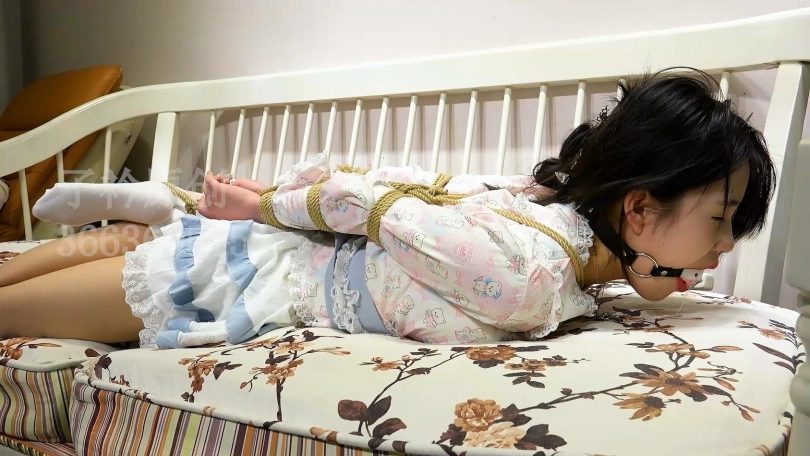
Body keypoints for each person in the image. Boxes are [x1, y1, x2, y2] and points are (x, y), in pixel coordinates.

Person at [0, 69, 775, 349]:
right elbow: (365, 202)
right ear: (638, 209)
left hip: (255, 247)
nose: (724, 249)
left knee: (98, 253)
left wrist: (265, 206)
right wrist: (265, 202)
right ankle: (172, 210)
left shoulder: (546, 220)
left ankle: (164, 208)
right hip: (241, 275)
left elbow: (411, 191)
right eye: (721, 219)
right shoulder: (533, 278)